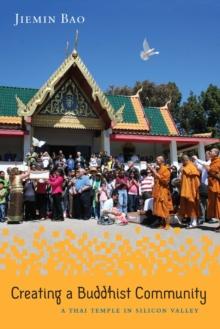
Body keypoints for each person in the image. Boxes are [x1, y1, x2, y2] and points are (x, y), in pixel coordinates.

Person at [149, 156, 173, 229]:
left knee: (164, 207)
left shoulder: (166, 169)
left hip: (163, 191)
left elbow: (165, 181)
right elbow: (156, 179)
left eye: (157, 160)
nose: (156, 161)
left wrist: (155, 172)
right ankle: (162, 223)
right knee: (159, 207)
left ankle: (167, 224)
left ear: (162, 161)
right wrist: (154, 171)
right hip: (158, 190)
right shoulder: (159, 169)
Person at [178, 155, 201, 228]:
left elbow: (195, 178)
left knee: (192, 205)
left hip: (191, 190)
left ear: (185, 160)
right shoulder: (185, 167)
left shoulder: (191, 166)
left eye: (182, 161)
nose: (182, 163)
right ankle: (191, 221)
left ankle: (194, 222)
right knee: (188, 206)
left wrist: (183, 169)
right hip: (186, 189)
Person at [192, 151, 211, 224]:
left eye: (207, 154)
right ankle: (202, 218)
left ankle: (208, 217)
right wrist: (195, 163)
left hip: (210, 184)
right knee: (202, 201)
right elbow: (200, 168)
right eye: (206, 154)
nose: (206, 156)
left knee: (209, 202)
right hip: (203, 185)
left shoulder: (211, 162)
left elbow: (205, 164)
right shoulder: (205, 163)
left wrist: (197, 159)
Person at [203, 148, 220, 232]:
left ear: (216, 154)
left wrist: (208, 169)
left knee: (219, 206)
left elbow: (217, 174)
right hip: (212, 186)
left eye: (212, 151)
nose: (210, 152)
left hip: (217, 187)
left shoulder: (218, 162)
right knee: (215, 206)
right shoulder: (212, 162)